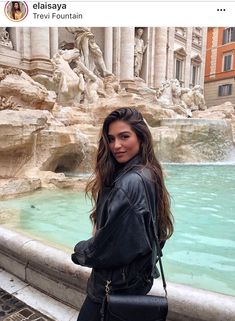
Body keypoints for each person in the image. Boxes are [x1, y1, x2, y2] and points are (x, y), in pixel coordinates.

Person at [71, 107, 174, 321]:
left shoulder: (129, 183)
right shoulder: (149, 172)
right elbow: (159, 232)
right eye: (111, 139)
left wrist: (80, 251)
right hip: (136, 281)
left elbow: (107, 248)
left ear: (141, 137)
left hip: (112, 288)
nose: (116, 145)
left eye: (124, 136)